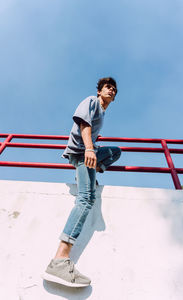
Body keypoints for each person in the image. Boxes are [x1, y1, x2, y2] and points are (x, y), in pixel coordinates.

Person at [42, 77, 121, 287]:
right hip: (80, 152)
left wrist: (94, 146)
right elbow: (83, 123)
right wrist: (88, 148)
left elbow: (92, 130)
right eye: (107, 87)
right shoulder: (92, 101)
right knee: (86, 199)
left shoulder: (102, 112)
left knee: (115, 151)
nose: (111, 90)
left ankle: (91, 170)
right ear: (99, 91)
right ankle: (60, 259)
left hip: (89, 151)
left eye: (114, 89)